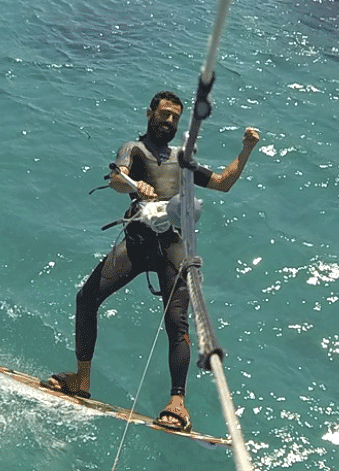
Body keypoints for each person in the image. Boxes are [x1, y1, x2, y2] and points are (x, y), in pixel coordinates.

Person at [44, 91, 261, 431]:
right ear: (149, 114)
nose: (169, 121)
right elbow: (118, 179)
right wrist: (135, 185)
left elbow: (222, 183)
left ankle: (177, 402)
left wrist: (246, 150)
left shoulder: (182, 159)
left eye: (175, 117)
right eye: (164, 114)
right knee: (86, 299)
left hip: (172, 246)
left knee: (178, 324)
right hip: (137, 242)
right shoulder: (134, 149)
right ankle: (81, 380)